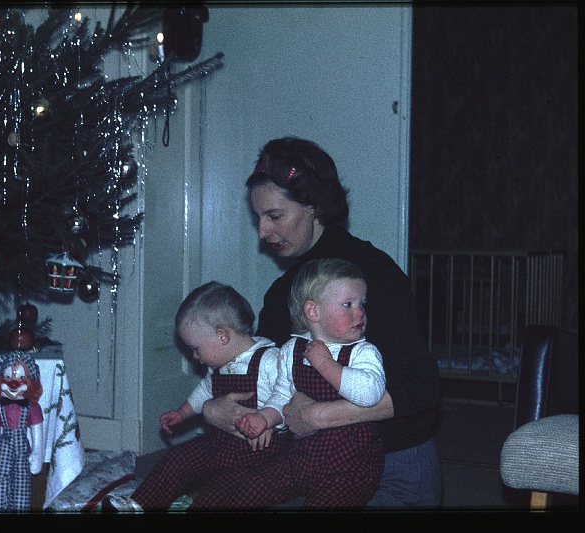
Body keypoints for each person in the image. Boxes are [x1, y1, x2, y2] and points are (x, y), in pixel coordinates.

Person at [202, 136, 442, 508]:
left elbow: (422, 388)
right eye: (258, 219)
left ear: (313, 206)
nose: (262, 233)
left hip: (391, 468)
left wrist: (319, 416)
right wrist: (212, 409)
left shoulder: (371, 273)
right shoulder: (282, 292)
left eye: (274, 216)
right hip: (312, 464)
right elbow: (267, 381)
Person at [192, 257, 386, 509]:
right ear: (313, 312)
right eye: (348, 304)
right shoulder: (292, 349)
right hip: (303, 456)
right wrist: (265, 418)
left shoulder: (363, 352)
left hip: (351, 464)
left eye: (362, 304)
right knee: (247, 490)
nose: (359, 312)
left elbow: (371, 394)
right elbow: (283, 394)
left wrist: (327, 365)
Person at [104, 281, 293, 512]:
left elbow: (288, 397)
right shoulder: (220, 364)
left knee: (218, 493)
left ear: (223, 336)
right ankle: (139, 504)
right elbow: (205, 390)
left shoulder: (269, 360)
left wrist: (270, 422)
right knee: (179, 457)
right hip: (220, 442)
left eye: (196, 348)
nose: (194, 356)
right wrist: (183, 412)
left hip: (259, 454)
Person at [0, 350, 45, 512]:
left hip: (22, 448)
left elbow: (37, 435)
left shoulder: (32, 408)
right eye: (8, 377)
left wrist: (37, 452)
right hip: (3, 447)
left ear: (30, 382)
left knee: (22, 483)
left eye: (20, 378)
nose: (13, 383)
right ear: (0, 381)